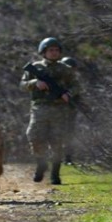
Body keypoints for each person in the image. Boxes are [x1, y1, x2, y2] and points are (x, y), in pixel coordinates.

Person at [20, 37, 79, 185]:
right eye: (50, 50)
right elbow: (22, 84)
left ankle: (55, 174)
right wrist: (35, 83)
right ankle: (41, 163)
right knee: (34, 136)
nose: (54, 53)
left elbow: (76, 86)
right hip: (39, 108)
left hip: (59, 109)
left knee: (57, 142)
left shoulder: (66, 69)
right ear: (44, 52)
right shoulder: (35, 67)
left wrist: (68, 94)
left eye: (56, 50)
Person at [60, 56, 79, 164]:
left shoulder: (74, 82)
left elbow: (77, 94)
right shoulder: (57, 80)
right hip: (55, 111)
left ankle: (68, 158)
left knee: (69, 135)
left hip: (69, 112)